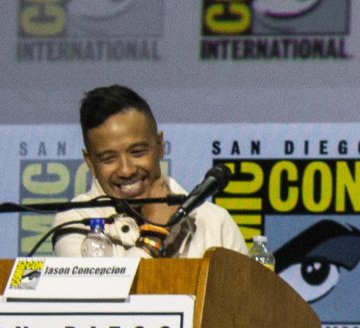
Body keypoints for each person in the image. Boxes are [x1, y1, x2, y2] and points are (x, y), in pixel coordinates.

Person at [52, 85, 246, 258]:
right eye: (108, 158)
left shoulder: (214, 222)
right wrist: (154, 234)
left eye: (137, 152)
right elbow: (103, 295)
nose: (126, 171)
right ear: (91, 163)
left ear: (160, 146)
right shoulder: (74, 221)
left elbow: (247, 297)